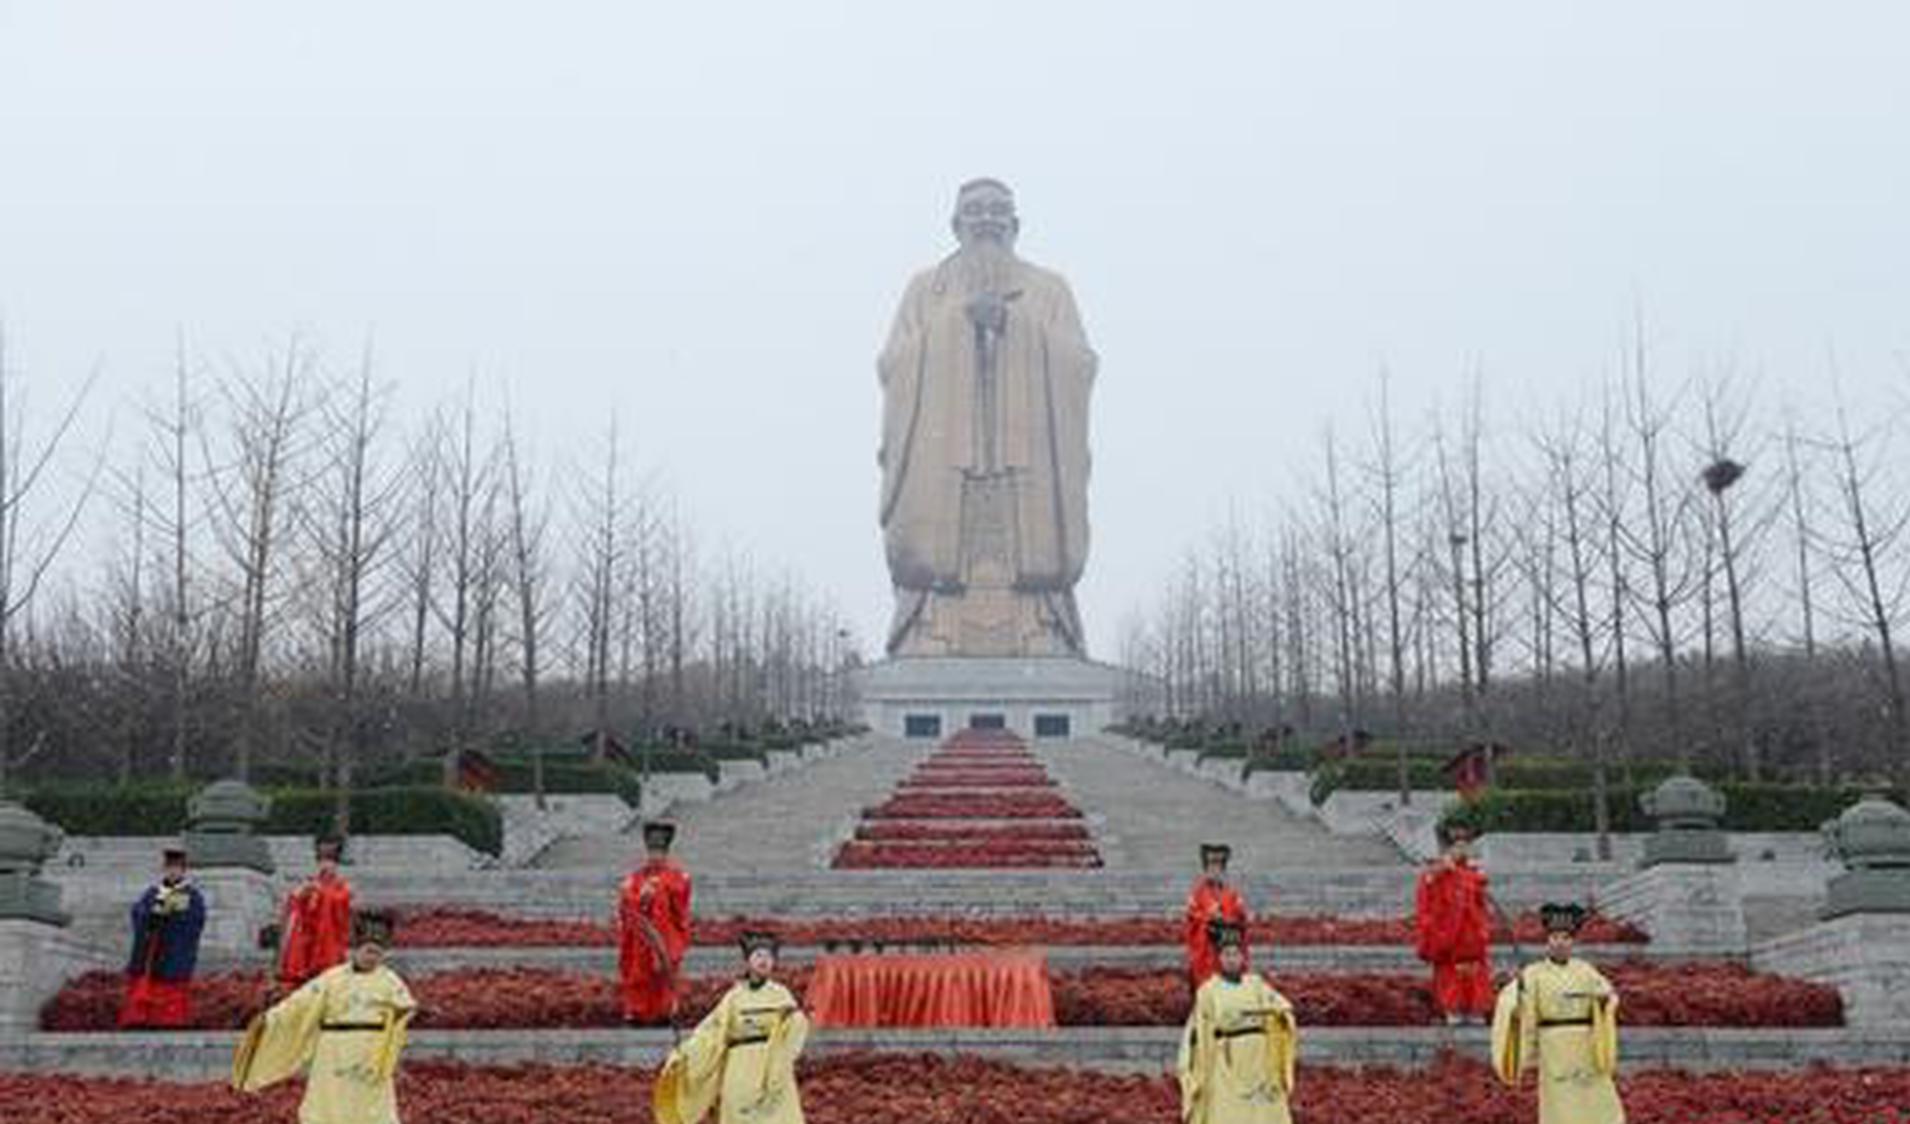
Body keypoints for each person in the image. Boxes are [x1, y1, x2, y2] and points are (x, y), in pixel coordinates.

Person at [877, 177, 1098, 657]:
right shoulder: (926, 290)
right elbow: (892, 365)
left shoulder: (1049, 290)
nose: (987, 218)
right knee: (941, 563)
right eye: (975, 210)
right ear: (955, 224)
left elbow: (1080, 366)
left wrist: (1013, 326)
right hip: (946, 469)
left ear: (1015, 224)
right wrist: (953, 326)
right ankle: (930, 626)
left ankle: (1041, 628)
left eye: (998, 210)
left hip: (1026, 476)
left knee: (1029, 568)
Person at [234, 909, 418, 1124]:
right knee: (329, 1103)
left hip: (372, 1053)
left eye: (377, 953)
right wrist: (273, 1017)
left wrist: (404, 1014)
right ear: (356, 951)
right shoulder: (332, 979)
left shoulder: (390, 980)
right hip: (333, 1050)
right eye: (368, 951)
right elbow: (302, 1003)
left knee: (370, 1108)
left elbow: (405, 1007)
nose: (372, 957)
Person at [654, 930, 809, 1124]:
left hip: (770, 1065)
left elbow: (794, 1027)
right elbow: (712, 1032)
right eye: (758, 955)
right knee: (736, 1112)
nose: (764, 961)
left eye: (769, 957)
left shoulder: (781, 995)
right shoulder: (734, 998)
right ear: (747, 961)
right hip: (739, 1066)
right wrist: (687, 1052)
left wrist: (796, 1020)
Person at [1491, 902, 1625, 1124]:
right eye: (1555, 938)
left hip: (1587, 1044)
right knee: (1559, 1101)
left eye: (1565, 938)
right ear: (1548, 941)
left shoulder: (1586, 970)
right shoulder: (1533, 974)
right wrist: (1515, 1000)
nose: (1560, 943)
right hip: (1553, 1046)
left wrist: (1603, 1001)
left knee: (1596, 1097)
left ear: (1572, 942)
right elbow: (1511, 1001)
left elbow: (1608, 994)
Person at [1177, 920, 1298, 1124]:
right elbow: (1199, 1030)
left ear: (1243, 958)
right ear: (1219, 959)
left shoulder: (1256, 984)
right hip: (1226, 1062)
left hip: (1260, 1060)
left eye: (1236, 954)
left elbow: (1282, 1006)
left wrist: (1280, 1014)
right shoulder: (1208, 991)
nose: (1232, 959)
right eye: (1227, 955)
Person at [118, 847, 208, 1029]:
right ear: (164, 869)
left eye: (177, 868)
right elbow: (138, 912)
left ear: (183, 871)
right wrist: (148, 915)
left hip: (175, 948)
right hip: (151, 948)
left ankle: (171, 1021)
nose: (173, 872)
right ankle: (140, 1019)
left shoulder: (191, 895)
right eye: (169, 868)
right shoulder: (152, 892)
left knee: (172, 987)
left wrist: (171, 915)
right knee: (146, 983)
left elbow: (195, 919)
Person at [1415, 822, 1494, 1025]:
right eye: (1457, 846)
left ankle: (1476, 1009)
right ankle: (1453, 1011)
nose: (1462, 850)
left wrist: (1483, 929)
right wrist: (1440, 872)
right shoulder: (1434, 875)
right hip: (1449, 940)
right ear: (1447, 849)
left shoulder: (1474, 874)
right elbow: (1427, 904)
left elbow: (1481, 905)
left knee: (1475, 977)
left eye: (1465, 845)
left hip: (1473, 939)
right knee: (1450, 979)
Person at [617, 819, 694, 1026]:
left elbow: (680, 904)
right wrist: (640, 897)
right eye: (652, 852)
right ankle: (636, 1012)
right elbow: (625, 902)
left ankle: (663, 1012)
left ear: (666, 853)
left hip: (665, 938)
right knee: (638, 976)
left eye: (659, 852)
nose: (655, 857)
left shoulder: (678, 876)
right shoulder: (634, 878)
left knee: (662, 977)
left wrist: (658, 891)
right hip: (640, 939)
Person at [276, 836, 353, 993]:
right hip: (309, 936)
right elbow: (295, 905)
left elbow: (342, 902)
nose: (326, 866)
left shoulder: (341, 885)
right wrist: (301, 894)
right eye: (322, 861)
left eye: (330, 862)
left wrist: (322, 893)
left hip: (329, 935)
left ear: (336, 865)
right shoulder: (310, 882)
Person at [1185, 843, 1251, 989]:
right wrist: (1209, 918)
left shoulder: (1232, 894)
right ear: (1205, 870)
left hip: (1227, 944)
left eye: (1219, 868)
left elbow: (1241, 917)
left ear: (1223, 871)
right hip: (1206, 947)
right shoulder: (1197, 894)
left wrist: (1229, 920)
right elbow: (1192, 917)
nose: (1215, 871)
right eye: (1211, 868)